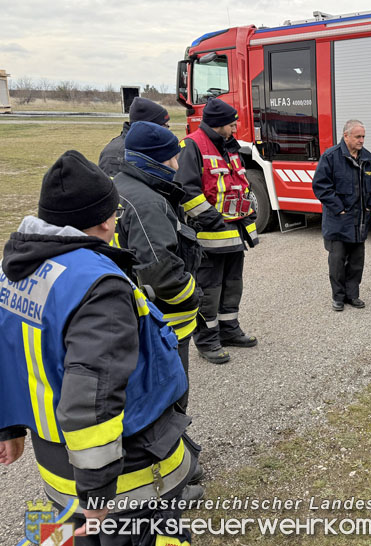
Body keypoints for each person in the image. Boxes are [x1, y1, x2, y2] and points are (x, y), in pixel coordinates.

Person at [0, 151, 198, 544]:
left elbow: (9, 351)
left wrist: (8, 427)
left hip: (54, 456)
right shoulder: (98, 286)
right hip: (124, 474)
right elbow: (93, 393)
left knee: (69, 533)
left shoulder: (17, 269)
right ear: (107, 220)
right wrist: (96, 489)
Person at [114, 121, 203, 411]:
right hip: (165, 324)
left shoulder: (119, 186)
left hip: (128, 314)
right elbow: (161, 272)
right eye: (173, 158)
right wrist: (192, 295)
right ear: (155, 161)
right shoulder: (148, 204)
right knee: (171, 395)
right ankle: (174, 450)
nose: (178, 166)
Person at [176, 97, 259, 365]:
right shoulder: (192, 146)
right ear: (219, 124)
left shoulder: (229, 146)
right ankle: (207, 340)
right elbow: (186, 190)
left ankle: (229, 330)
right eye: (232, 122)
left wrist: (249, 212)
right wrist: (212, 219)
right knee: (209, 290)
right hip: (210, 236)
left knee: (232, 285)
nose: (236, 126)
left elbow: (237, 183)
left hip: (234, 233)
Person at [312, 120, 371, 311]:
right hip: (338, 222)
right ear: (346, 136)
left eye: (363, 136)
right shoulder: (331, 157)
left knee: (357, 263)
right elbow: (321, 186)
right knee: (337, 262)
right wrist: (339, 208)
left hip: (359, 222)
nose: (362, 140)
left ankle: (353, 295)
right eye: (358, 136)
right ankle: (338, 297)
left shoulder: (367, 157)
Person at [98, 97, 171, 177]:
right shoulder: (115, 155)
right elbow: (114, 188)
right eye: (164, 126)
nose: (167, 131)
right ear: (147, 126)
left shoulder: (149, 147)